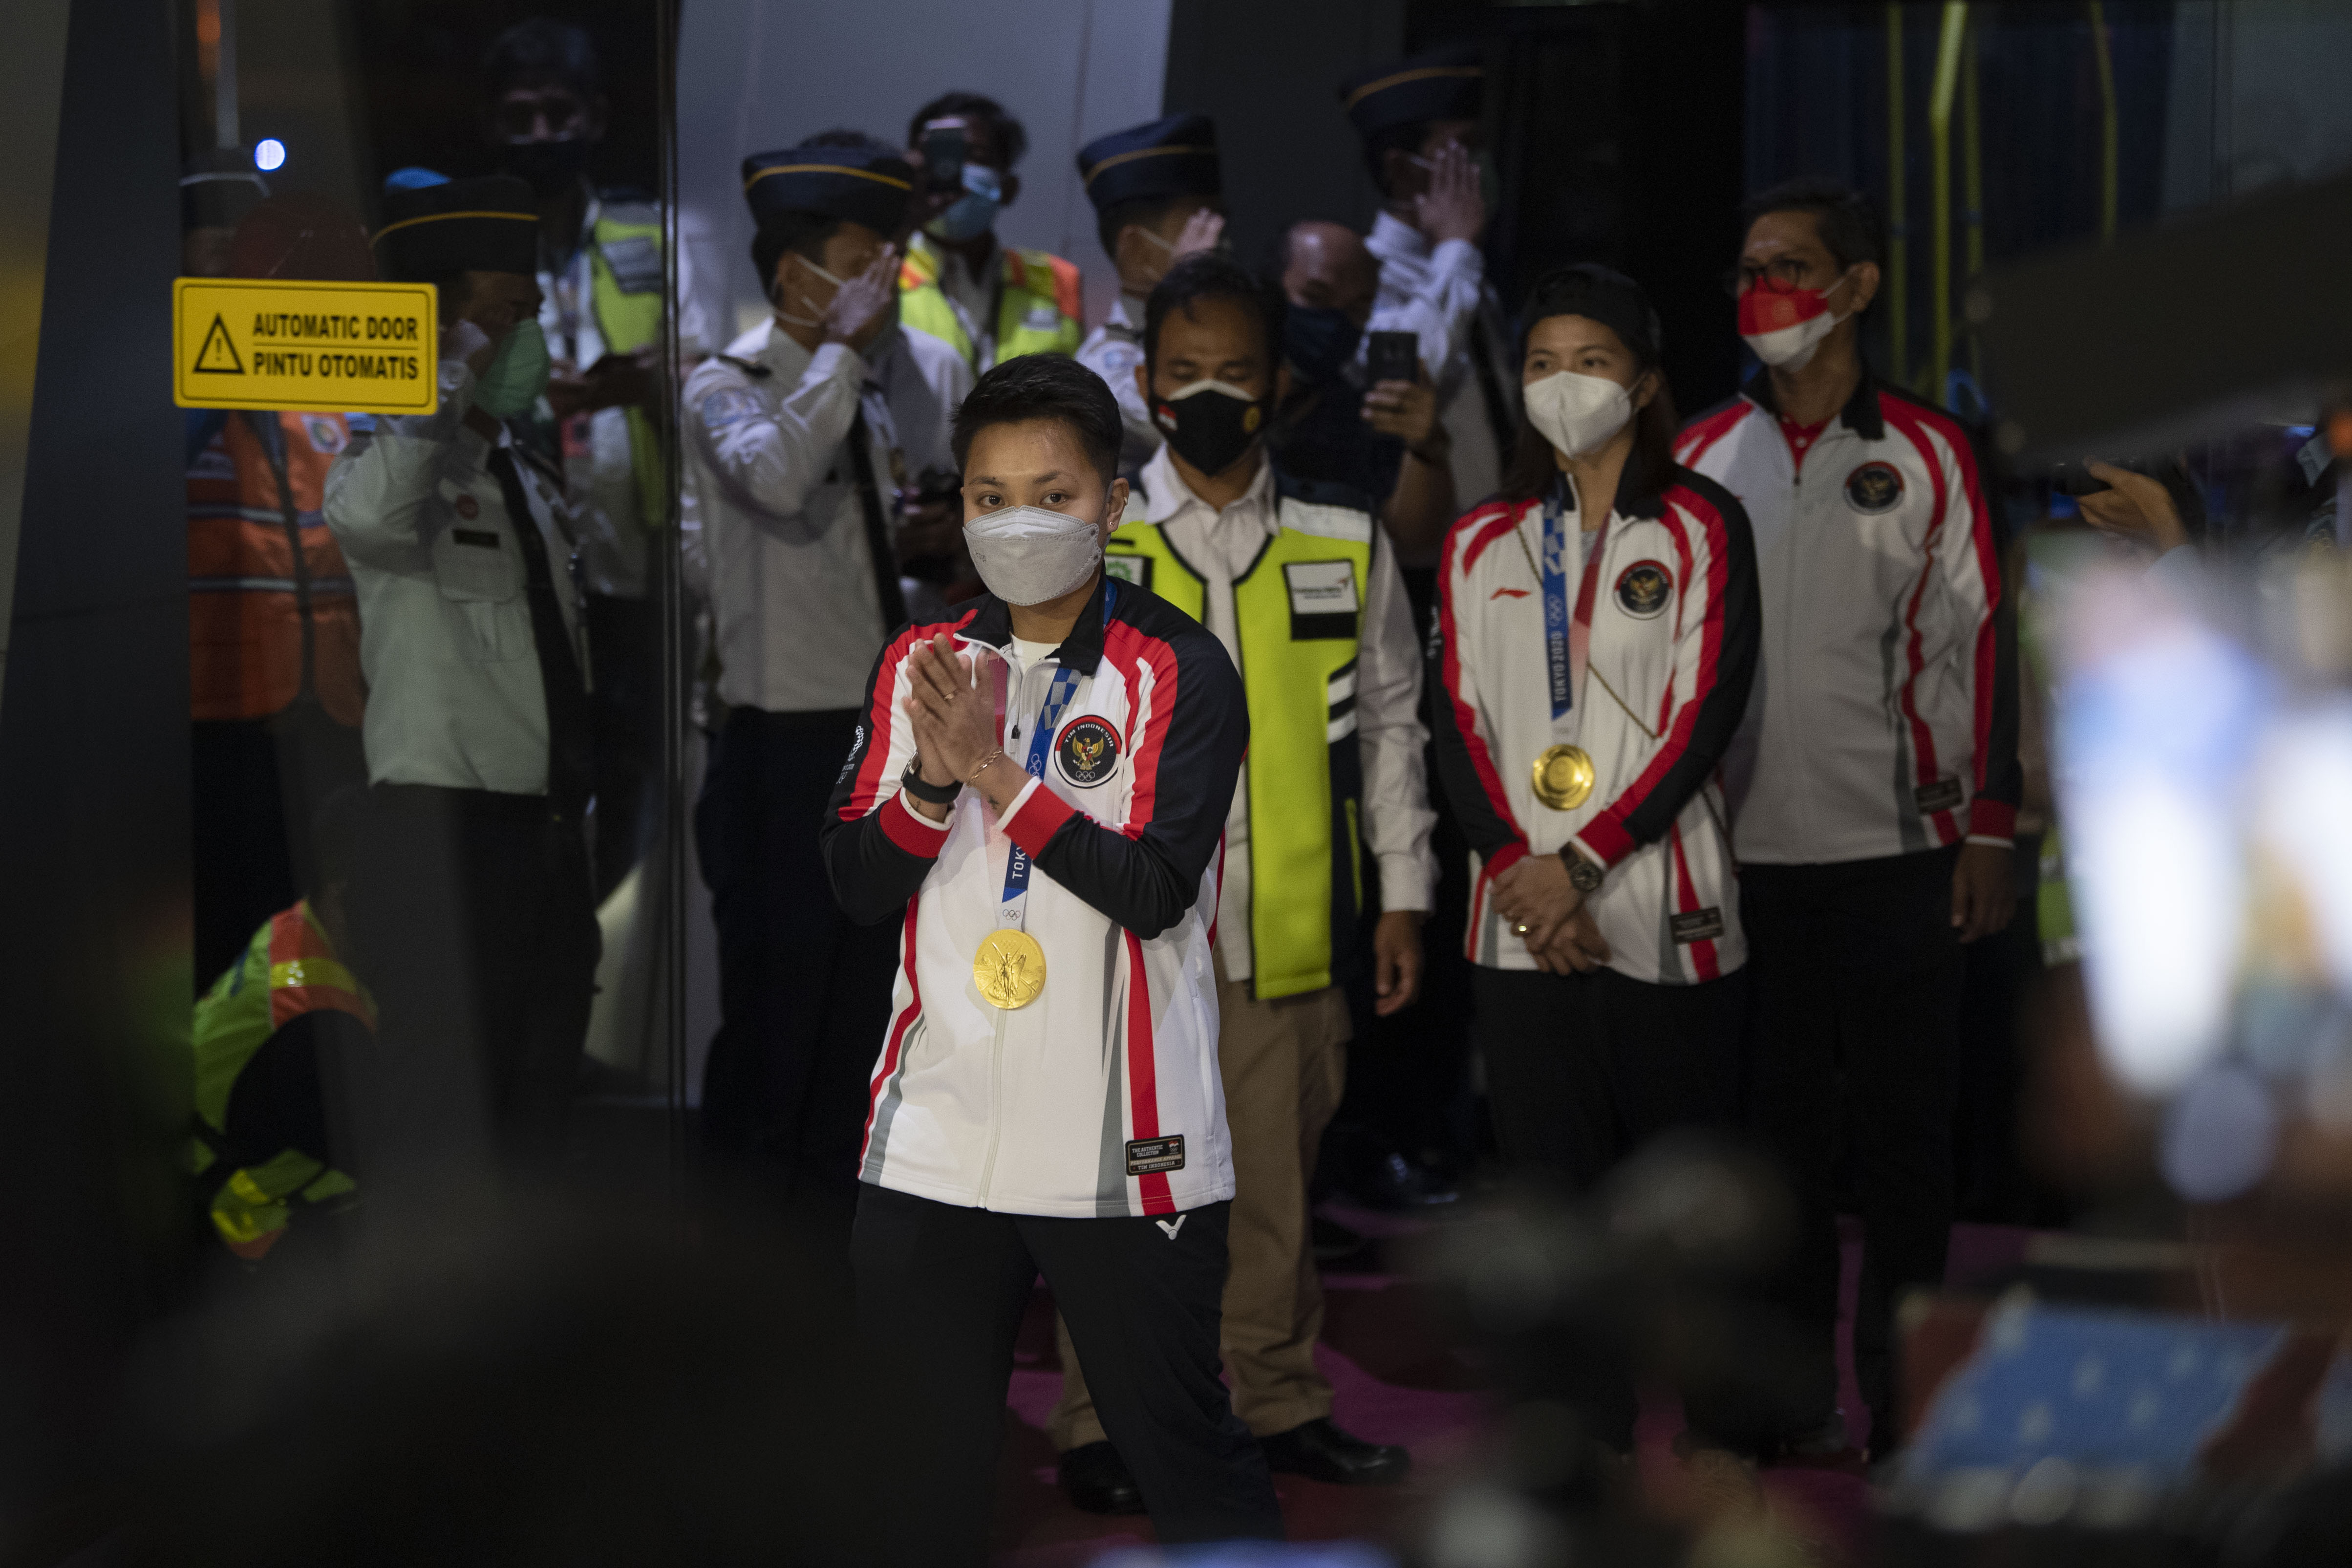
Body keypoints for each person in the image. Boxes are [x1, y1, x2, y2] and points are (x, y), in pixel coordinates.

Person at [822, 353, 1281, 1563]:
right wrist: (931, 773)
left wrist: (994, 775)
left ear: (1112, 505)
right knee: (912, 1466)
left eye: (1052, 491)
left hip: (1118, 1138)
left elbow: (1150, 887)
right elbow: (857, 883)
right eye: (987, 494)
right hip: (933, 1127)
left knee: (1179, 1449)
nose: (1016, 520)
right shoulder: (916, 659)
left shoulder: (1178, 667)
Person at [1047, 252, 1435, 1511]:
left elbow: (1390, 729)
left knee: (1274, 1184)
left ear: (1277, 382)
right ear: (1144, 385)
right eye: (1180, 371)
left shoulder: (1342, 538)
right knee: (1117, 1189)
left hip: (1285, 933)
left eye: (1232, 370)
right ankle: (1102, 1418)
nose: (1206, 392)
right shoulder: (1088, 545)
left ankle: (1274, 1400)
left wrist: (1404, 896)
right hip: (1121, 935)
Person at [1675, 176, 2021, 1460]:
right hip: (1740, 859)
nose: (1762, 290)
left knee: (1903, 1156)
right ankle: (1782, 1400)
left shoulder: (1929, 452)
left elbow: (1984, 645)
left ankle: (1905, 1400)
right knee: (1767, 1162)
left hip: (1901, 857)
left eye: (1790, 266)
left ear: (1855, 287)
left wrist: (1987, 823)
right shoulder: (1703, 454)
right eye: (1747, 268)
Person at [1430, 264, 1759, 1453]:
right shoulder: (1480, 539)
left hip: (1663, 897)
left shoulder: (1701, 524)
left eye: (1590, 361)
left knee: (1692, 1207)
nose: (1562, 384)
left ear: (1646, 381)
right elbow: (1454, 727)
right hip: (1512, 916)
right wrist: (1525, 870)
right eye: (1539, 363)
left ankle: (1723, 1446)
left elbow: (1704, 711)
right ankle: (1578, 1443)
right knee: (1552, 1203)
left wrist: (1576, 865)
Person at [682, 137, 972, 1244]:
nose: (880, 283)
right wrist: (842, 358)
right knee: (775, 1016)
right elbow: (771, 475)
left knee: (864, 1011)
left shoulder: (877, 383)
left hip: (880, 739)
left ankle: (832, 1246)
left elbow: (859, 530)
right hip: (779, 746)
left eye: (886, 262)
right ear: (791, 272)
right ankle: (740, 1257)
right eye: (857, 262)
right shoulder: (726, 381)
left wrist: (924, 537)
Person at [324, 175, 600, 1183]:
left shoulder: (515, 468)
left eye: (527, 314)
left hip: (544, 830)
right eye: (502, 313)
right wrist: (447, 366)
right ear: (439, 324)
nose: (522, 337)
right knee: (443, 1115)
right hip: (445, 831)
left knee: (536, 1103)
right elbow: (369, 522)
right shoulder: (387, 455)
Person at [481, 18, 709, 896]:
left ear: (597, 116)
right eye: (521, 115)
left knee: (628, 764)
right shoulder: (475, 244)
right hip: (511, 563)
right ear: (491, 124)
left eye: (558, 112)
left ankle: (611, 945)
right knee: (529, 764)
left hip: (627, 561)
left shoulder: (652, 237)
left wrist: (652, 381)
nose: (542, 133)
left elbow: (705, 367)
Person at [186, 190, 374, 985]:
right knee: (221, 930)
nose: (231, 245)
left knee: (324, 937)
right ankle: (220, 1102)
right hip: (216, 710)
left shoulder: (324, 372)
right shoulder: (162, 381)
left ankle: (296, 1098)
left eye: (248, 234)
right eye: (210, 231)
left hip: (331, 707)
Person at [188, 789, 376, 1263]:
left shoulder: (302, 930)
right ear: (338, 890)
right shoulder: (311, 1010)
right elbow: (376, 1143)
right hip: (252, 1225)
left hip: (259, 1183)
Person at [1336, 41, 1518, 514]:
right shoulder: (1364, 275)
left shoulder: (1466, 274)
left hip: (1501, 522)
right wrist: (1455, 248)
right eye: (1464, 149)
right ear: (1400, 169)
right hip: (1423, 540)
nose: (1481, 168)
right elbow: (1406, 372)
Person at [1272, 219, 1455, 553]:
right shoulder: (1223, 392)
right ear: (1271, 288)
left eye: (1358, 309)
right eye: (1317, 297)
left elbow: (1412, 543)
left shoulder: (1362, 417)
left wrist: (1425, 447)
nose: (1336, 320)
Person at [1073, 112, 1227, 478]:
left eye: (1220, 222)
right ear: (1138, 250)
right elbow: (1210, 442)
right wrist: (1191, 292)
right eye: (1198, 227)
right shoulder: (1108, 370)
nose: (1218, 241)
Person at [897, 91, 1083, 374]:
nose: (955, 171)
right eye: (942, 155)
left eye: (976, 157)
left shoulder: (1058, 281)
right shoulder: (881, 272)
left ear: (1009, 189)